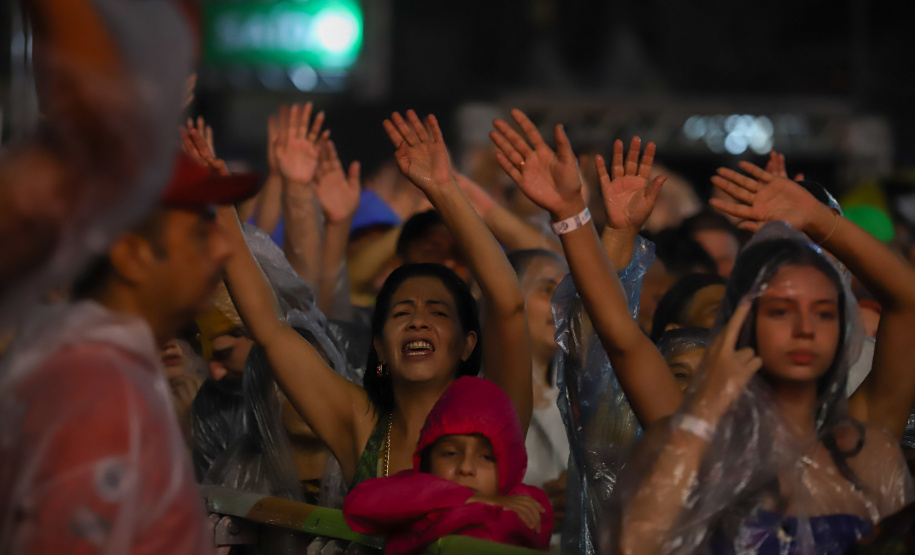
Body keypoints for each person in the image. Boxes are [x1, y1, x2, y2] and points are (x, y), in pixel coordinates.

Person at [216, 109, 532, 491]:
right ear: (379, 345)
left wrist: (444, 190)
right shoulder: (359, 424)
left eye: (438, 311)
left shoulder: (495, 415)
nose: (418, 321)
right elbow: (270, 329)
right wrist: (219, 208)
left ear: (468, 342)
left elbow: (509, 306)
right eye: (402, 311)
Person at [0, 153, 259, 553]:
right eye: (199, 233)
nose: (224, 249)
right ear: (132, 256)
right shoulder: (100, 396)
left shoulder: (96, 369)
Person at [613, 224, 912, 554]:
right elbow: (635, 546)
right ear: (743, 324)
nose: (805, 329)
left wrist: (818, 218)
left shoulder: (869, 453)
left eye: (824, 314)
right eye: (781, 311)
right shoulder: (693, 441)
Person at [343, 377, 552, 554]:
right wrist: (469, 498)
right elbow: (358, 504)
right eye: (450, 453)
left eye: (487, 457)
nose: (466, 467)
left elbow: (483, 529)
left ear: (511, 464)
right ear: (428, 459)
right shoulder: (418, 484)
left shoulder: (528, 504)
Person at [508, 248, 570, 542]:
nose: (562, 304)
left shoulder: (576, 399)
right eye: (547, 290)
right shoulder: (484, 396)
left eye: (568, 292)